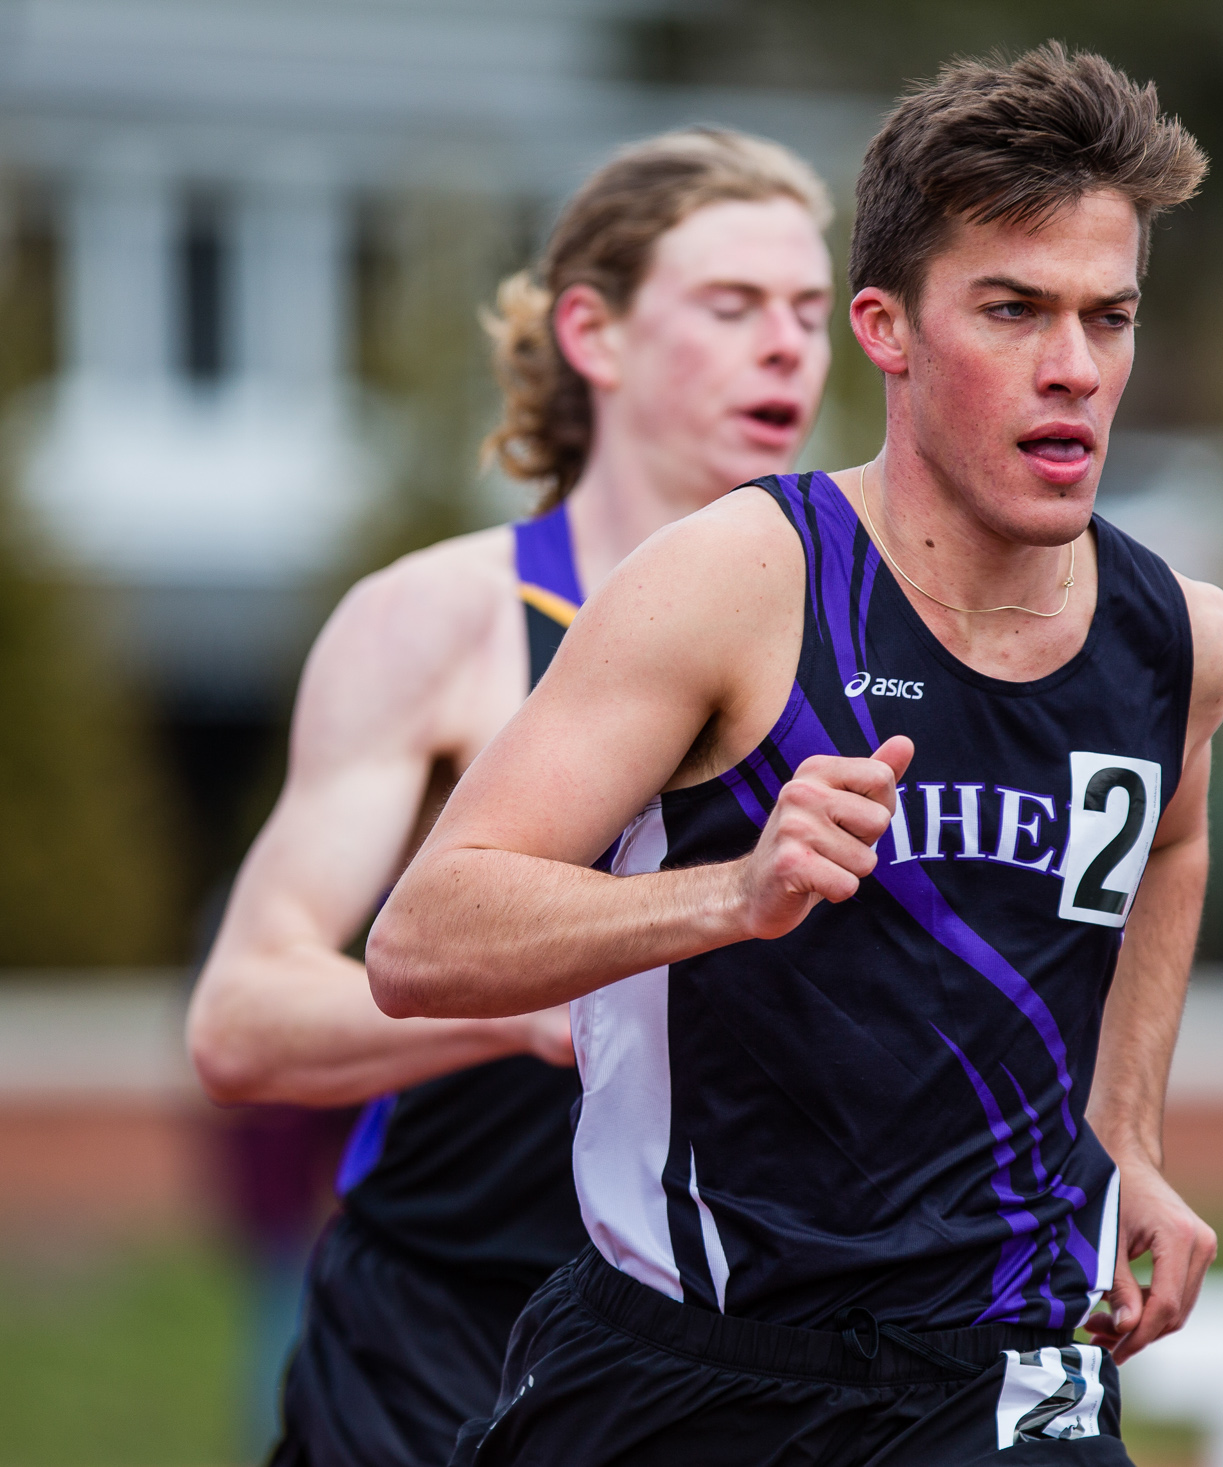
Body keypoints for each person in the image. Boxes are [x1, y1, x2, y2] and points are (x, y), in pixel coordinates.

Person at [366, 43, 1223, 1467]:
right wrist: (728, 898)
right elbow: (423, 938)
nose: (1075, 369)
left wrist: (1126, 1132)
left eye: (1110, 316)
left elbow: (1174, 838)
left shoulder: (1178, 637)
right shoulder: (734, 585)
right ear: (885, 330)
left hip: (1005, 1378)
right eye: (1014, 311)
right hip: (691, 1369)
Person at [184, 127, 836, 1467]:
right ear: (593, 332)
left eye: (811, 312)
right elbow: (240, 1023)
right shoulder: (447, 620)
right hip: (443, 1339)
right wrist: (530, 1004)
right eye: (732, 307)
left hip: (740, 1348)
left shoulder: (857, 640)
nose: (787, 346)